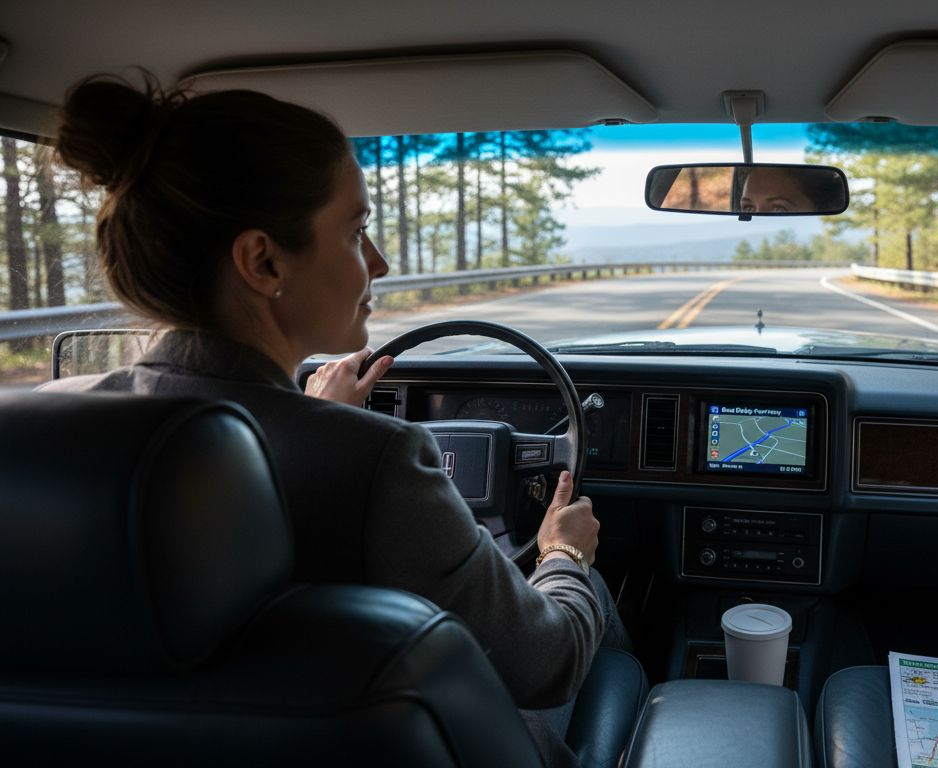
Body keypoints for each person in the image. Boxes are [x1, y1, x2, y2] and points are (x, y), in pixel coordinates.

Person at [43, 74, 626, 766]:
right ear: (263, 261)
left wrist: (315, 423)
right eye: (355, 233)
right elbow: (546, 663)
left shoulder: (53, 441)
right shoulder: (374, 462)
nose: (377, 262)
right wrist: (564, 555)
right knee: (610, 652)